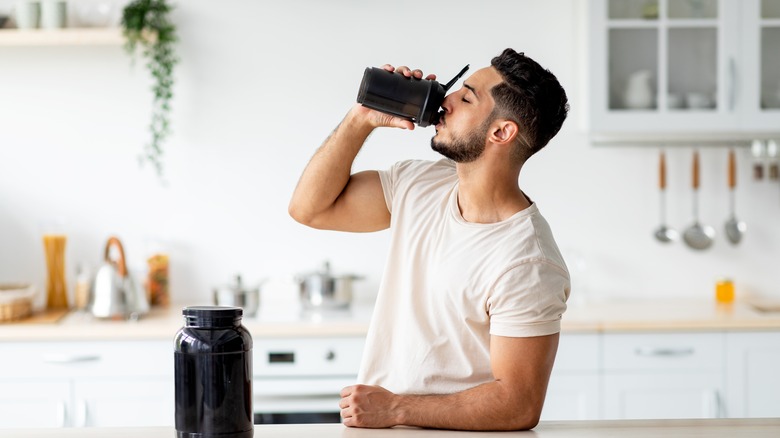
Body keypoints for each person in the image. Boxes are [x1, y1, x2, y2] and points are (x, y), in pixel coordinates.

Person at [288, 48, 571, 431]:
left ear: (501, 132)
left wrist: (396, 409)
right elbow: (310, 209)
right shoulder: (419, 185)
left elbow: (516, 404)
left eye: (466, 97)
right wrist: (362, 119)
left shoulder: (529, 262)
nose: (446, 99)